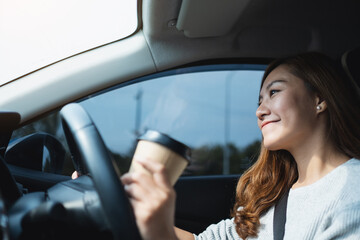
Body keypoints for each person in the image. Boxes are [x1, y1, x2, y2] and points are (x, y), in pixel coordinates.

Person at [121, 52, 360, 240]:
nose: (260, 111)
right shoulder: (275, 194)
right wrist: (144, 215)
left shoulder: (351, 191)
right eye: (259, 101)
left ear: (319, 99)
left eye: (274, 92)